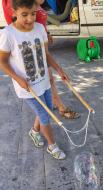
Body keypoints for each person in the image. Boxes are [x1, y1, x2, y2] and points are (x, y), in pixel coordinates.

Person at [0, 0, 71, 159]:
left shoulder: (40, 28)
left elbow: (45, 55)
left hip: (43, 80)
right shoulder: (8, 34)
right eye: (24, 15)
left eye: (33, 14)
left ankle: (34, 131)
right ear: (14, 12)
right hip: (27, 87)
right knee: (45, 115)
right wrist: (18, 79)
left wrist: (59, 70)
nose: (30, 19)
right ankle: (52, 146)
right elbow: (2, 62)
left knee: (48, 107)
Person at [2, 0, 80, 119]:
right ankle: (58, 107)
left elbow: (40, 17)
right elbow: (16, 24)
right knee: (48, 80)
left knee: (49, 80)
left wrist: (46, 32)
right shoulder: (18, 4)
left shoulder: (34, 7)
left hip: (40, 40)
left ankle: (50, 112)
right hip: (30, 48)